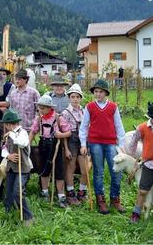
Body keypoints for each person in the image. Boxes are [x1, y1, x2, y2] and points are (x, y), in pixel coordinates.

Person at [79, 79, 126, 214]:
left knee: (116, 171)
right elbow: (84, 127)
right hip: (95, 143)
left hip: (111, 143)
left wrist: (121, 145)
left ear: (106, 93)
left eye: (101, 92)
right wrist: (83, 144)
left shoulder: (113, 107)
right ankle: (101, 201)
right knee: (98, 172)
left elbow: (119, 126)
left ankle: (115, 199)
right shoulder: (89, 107)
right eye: (96, 92)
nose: (98, 94)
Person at [29, 95, 71, 208]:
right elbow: (33, 131)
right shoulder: (39, 118)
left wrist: (60, 135)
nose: (40, 111)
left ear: (49, 108)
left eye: (42, 108)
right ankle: (45, 192)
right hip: (43, 144)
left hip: (56, 145)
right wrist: (27, 144)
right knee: (44, 169)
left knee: (59, 170)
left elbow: (68, 132)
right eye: (39, 108)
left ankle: (61, 196)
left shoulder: (58, 118)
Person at [1, 109, 34, 226]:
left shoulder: (22, 133)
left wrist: (11, 134)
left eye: (5, 124)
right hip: (11, 168)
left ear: (9, 124)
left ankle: (28, 217)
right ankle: (8, 213)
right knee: (9, 192)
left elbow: (22, 143)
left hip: (22, 168)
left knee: (18, 192)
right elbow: (3, 150)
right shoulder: (7, 135)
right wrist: (8, 155)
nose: (5, 126)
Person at [61, 83, 89, 205]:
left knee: (85, 169)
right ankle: (70, 193)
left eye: (78, 97)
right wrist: (66, 148)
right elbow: (64, 131)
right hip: (71, 140)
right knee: (70, 167)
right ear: (69, 98)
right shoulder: (66, 112)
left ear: (81, 98)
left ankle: (82, 192)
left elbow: (88, 127)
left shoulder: (84, 111)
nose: (75, 99)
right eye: (73, 97)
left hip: (82, 140)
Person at [129, 102, 153, 223]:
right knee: (143, 190)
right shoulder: (142, 128)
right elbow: (133, 142)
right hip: (149, 164)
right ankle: (136, 212)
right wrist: (133, 156)